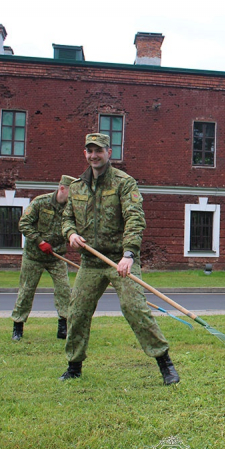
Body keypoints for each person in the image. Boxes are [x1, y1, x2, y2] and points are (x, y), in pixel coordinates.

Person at [60, 133, 178, 384]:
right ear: (85, 153)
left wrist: (129, 255)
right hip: (90, 262)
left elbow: (135, 218)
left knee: (135, 308)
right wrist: (70, 234)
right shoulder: (76, 186)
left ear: (108, 152)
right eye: (89, 151)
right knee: (77, 312)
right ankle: (74, 366)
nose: (94, 155)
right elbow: (67, 218)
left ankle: (165, 363)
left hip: (119, 260)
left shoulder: (124, 183)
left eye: (98, 150)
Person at [10, 175, 76, 342]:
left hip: (57, 256)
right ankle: (18, 326)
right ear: (62, 188)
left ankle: (63, 326)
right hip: (34, 256)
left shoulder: (72, 208)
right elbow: (24, 224)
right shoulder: (41, 202)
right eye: (72, 192)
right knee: (27, 290)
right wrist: (39, 241)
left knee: (64, 290)